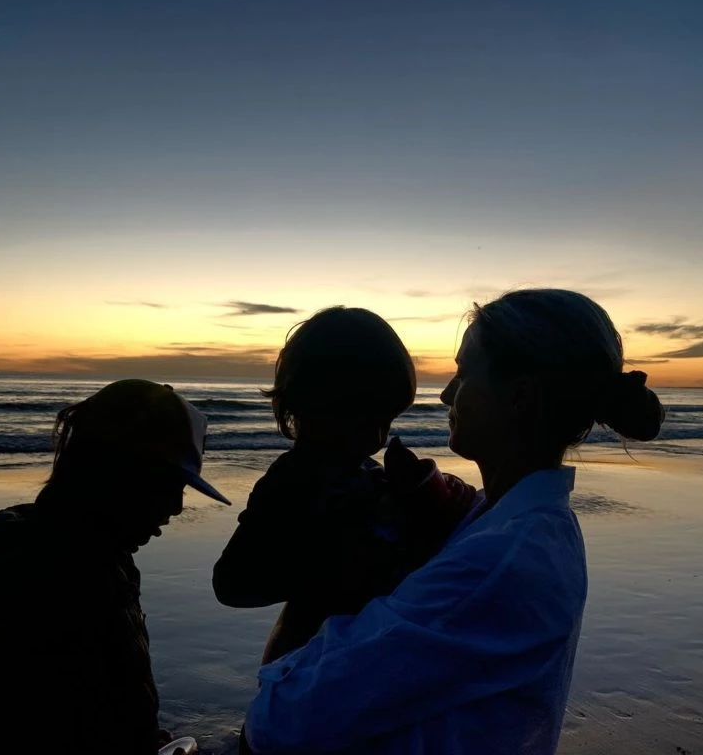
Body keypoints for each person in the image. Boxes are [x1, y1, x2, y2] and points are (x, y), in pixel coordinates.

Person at [243, 289, 666, 755]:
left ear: (520, 397)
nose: (445, 392)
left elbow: (282, 722)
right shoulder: (501, 522)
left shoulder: (500, 562)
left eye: (464, 373)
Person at [0, 379, 231, 755]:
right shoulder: (71, 573)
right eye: (168, 485)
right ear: (115, 473)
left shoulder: (94, 554)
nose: (176, 508)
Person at [213, 306, 474, 667]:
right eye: (360, 420)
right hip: (301, 666)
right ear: (307, 404)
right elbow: (231, 583)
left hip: (359, 660)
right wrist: (331, 560)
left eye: (387, 421)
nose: (376, 439)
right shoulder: (291, 481)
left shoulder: (366, 475)